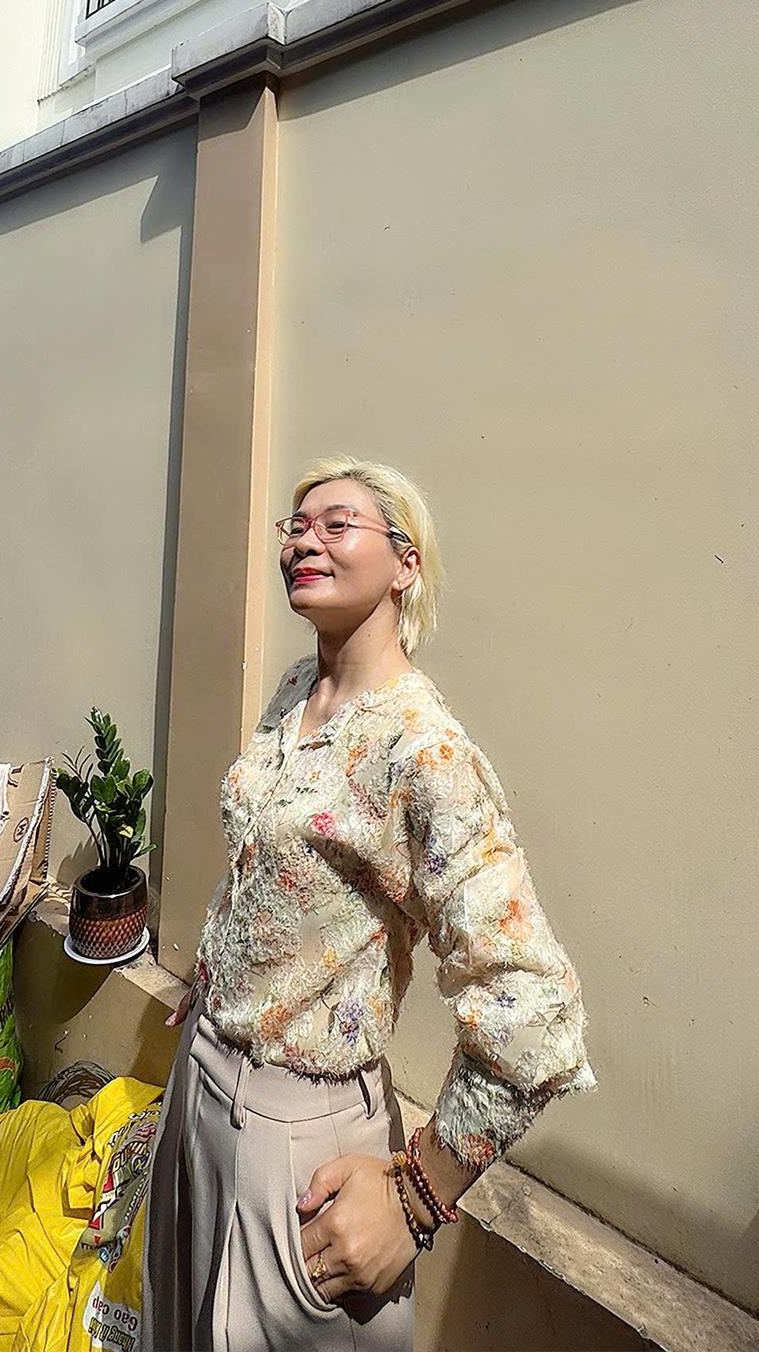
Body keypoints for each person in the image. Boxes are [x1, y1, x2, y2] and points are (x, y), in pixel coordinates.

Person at [141, 457, 596, 1350]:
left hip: (296, 1144)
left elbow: (534, 1008)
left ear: (405, 564)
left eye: (336, 523)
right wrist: (222, 975)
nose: (302, 541)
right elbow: (270, 858)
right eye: (295, 526)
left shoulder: (423, 752)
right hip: (200, 1088)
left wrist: (418, 1197)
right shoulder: (297, 694)